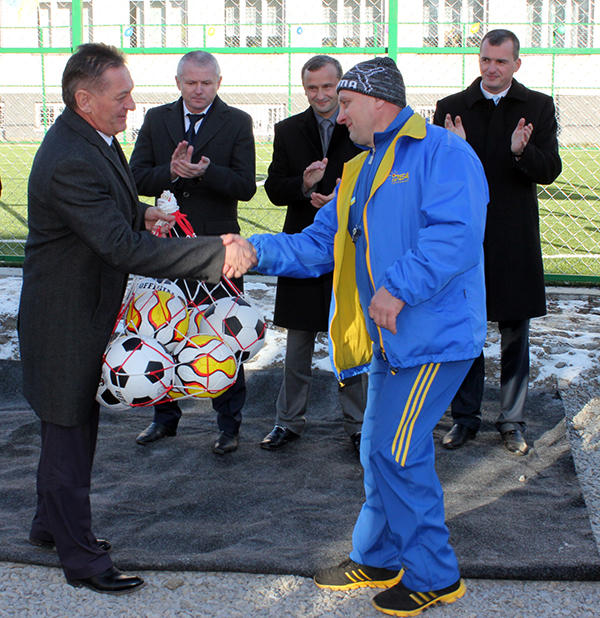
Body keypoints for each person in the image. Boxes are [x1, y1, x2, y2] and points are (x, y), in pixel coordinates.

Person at [237, 57, 489, 616]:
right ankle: (376, 556)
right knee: (379, 452)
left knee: (396, 452)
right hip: (388, 341)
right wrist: (254, 249)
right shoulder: (357, 169)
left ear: (380, 102)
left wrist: (397, 288)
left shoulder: (444, 153)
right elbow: (316, 245)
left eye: (347, 102)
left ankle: (434, 575)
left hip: (432, 338)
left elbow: (457, 234)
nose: (339, 113)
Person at [18, 43, 255, 595]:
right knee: (68, 434)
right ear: (85, 100)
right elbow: (120, 248)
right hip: (64, 320)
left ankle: (49, 527)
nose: (131, 104)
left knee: (70, 428)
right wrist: (216, 253)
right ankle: (82, 560)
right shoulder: (71, 155)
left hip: (83, 310)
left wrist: (143, 211)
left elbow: (110, 210)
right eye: (121, 96)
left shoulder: (90, 138)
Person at [433, 29, 562, 455]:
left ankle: (512, 420)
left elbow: (550, 170)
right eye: (486, 59)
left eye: (501, 62)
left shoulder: (537, 106)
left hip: (513, 234)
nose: (491, 68)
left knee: (514, 330)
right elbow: (435, 176)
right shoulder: (452, 107)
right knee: (465, 327)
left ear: (516, 64)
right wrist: (454, 151)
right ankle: (464, 418)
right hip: (466, 235)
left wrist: (523, 152)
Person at [129, 50, 256, 455]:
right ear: (178, 82)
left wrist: (206, 172)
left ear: (219, 82)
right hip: (165, 249)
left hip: (218, 251)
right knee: (160, 331)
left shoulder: (237, 121)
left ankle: (229, 425)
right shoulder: (156, 119)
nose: (198, 90)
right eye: (191, 82)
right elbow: (134, 178)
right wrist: (170, 172)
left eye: (206, 83)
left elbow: (246, 187)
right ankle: (164, 418)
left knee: (225, 334)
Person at [260, 55, 366, 454]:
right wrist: (304, 188)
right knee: (298, 340)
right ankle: (288, 422)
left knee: (350, 338)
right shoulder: (288, 129)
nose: (320, 95)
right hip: (302, 247)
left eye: (327, 87)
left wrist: (340, 202)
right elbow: (274, 188)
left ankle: (359, 425)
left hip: (349, 245)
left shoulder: (359, 126)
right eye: (312, 88)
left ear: (341, 85)